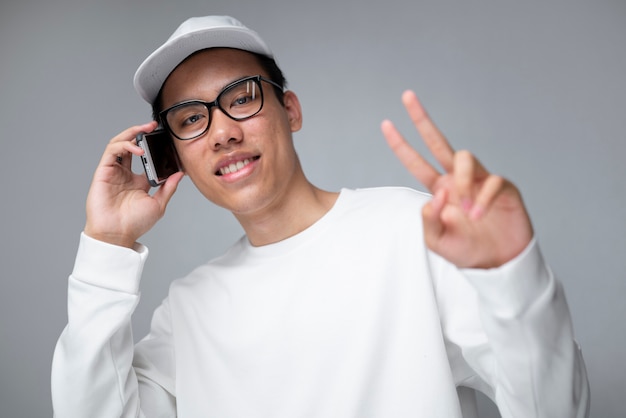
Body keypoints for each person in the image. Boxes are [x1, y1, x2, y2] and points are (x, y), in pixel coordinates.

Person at [51, 15, 590, 418]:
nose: (222, 131)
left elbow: (556, 407)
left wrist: (513, 276)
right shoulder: (187, 311)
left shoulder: (412, 229)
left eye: (241, 98)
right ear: (176, 157)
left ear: (291, 110)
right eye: (191, 118)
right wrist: (106, 243)